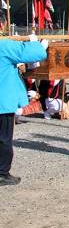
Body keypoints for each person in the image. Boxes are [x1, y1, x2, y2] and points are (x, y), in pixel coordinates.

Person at [0, 14, 47, 185]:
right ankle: (2, 173)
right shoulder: (4, 45)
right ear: (2, 25)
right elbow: (38, 52)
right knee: (4, 138)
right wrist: (34, 41)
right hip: (2, 102)